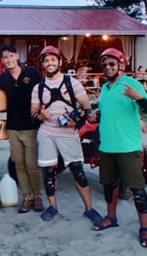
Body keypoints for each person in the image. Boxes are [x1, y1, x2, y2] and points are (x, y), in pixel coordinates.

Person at [90, 47, 147, 247]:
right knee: (109, 185)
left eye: (112, 64)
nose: (107, 67)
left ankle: (145, 229)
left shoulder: (131, 83)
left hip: (128, 146)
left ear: (121, 64)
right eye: (104, 65)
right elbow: (105, 111)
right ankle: (111, 217)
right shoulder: (104, 88)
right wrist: (96, 116)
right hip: (107, 146)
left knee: (137, 189)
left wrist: (139, 97)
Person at [29, 45, 102, 225]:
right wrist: (40, 116)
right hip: (46, 132)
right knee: (49, 171)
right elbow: (33, 114)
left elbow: (86, 109)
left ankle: (89, 209)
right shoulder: (38, 88)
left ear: (60, 62)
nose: (49, 63)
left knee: (77, 170)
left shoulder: (73, 83)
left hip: (69, 133)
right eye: (46, 60)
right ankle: (53, 206)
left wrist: (75, 123)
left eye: (53, 59)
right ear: (43, 65)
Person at [0, 44, 44, 213]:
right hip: (13, 127)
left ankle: (38, 196)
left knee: (32, 165)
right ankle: (27, 197)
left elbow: (44, 92)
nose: (8, 60)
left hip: (31, 125)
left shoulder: (32, 72)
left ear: (16, 56)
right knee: (19, 164)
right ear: (2, 61)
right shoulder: (4, 78)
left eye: (10, 56)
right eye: (5, 57)